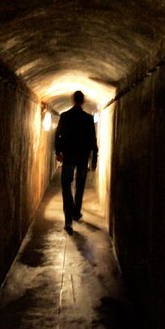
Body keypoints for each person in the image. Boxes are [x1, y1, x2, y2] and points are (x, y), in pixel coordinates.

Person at [54, 90, 98, 232]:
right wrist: (94, 158)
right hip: (83, 156)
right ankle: (76, 212)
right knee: (80, 185)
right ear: (83, 101)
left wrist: (58, 152)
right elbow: (93, 140)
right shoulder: (88, 118)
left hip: (69, 155)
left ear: (73, 100)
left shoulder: (65, 116)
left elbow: (58, 135)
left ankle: (69, 219)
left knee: (66, 185)